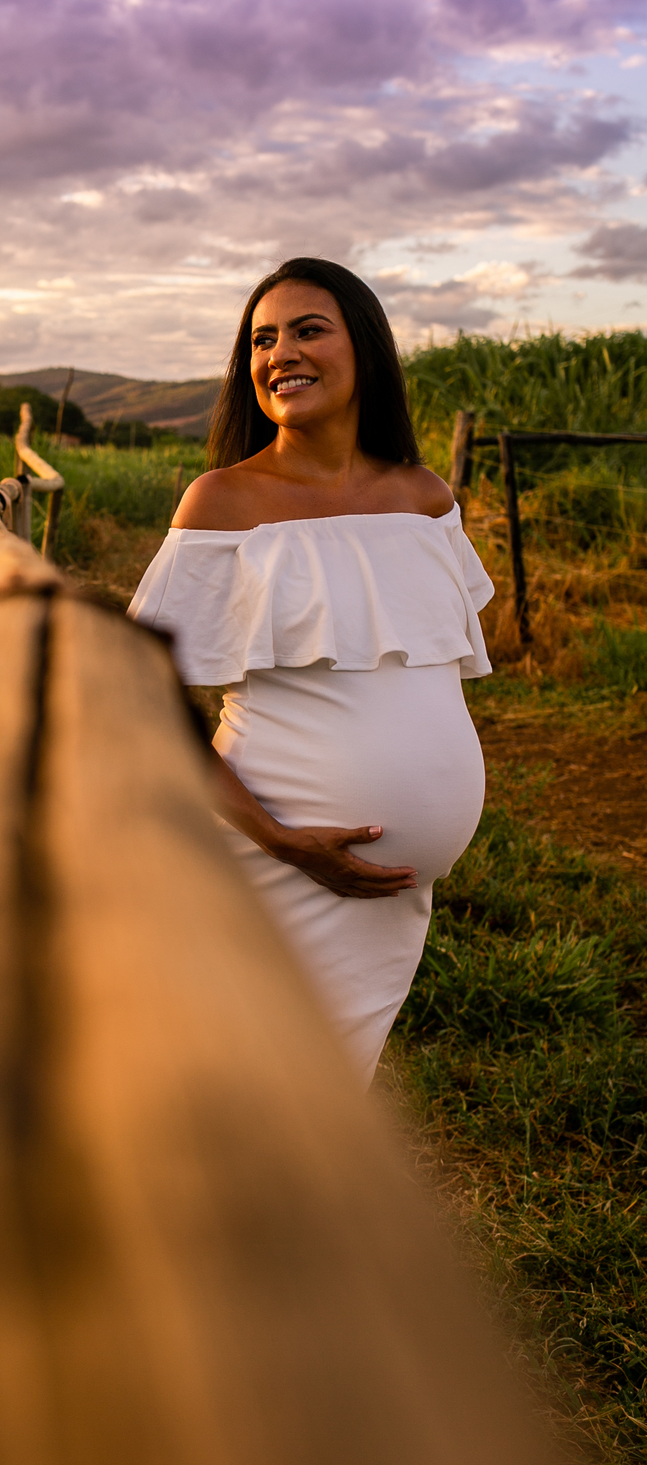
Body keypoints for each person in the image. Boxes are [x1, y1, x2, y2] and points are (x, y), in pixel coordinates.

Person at [128, 258, 494, 1084]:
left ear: (364, 346)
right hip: (274, 862)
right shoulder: (223, 502)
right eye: (262, 340)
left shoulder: (423, 498)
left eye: (307, 330)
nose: (279, 353)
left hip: (390, 896)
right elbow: (138, 700)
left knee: (324, 1092)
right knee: (249, 1087)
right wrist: (281, 840)